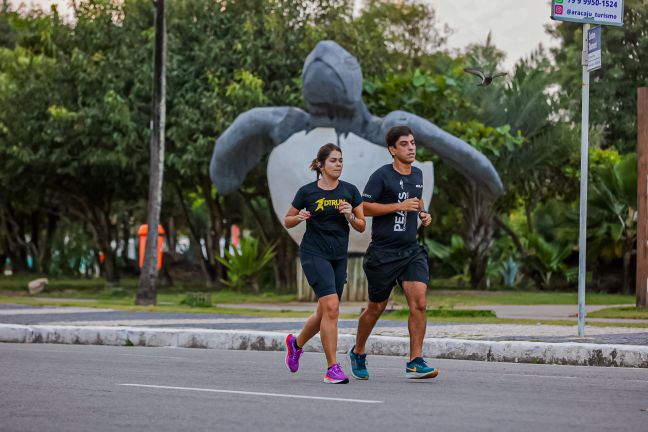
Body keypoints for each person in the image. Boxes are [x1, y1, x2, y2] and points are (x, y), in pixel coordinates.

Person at [348, 125, 438, 380]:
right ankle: (358, 351)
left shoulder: (418, 175)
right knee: (376, 307)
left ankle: (415, 361)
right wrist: (398, 205)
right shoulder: (381, 176)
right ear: (392, 149)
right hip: (383, 253)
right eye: (404, 144)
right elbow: (363, 207)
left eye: (413, 143)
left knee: (419, 302)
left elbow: (417, 202)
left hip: (410, 250)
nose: (411, 148)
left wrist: (423, 213)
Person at [284, 143, 365, 384]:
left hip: (338, 256)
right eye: (333, 161)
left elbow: (361, 225)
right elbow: (288, 220)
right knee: (331, 307)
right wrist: (298, 217)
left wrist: (350, 215)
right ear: (320, 165)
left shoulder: (350, 191)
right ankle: (332, 368)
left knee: (324, 312)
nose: (338, 164)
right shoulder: (307, 192)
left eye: (341, 160)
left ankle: (295, 344)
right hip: (313, 253)